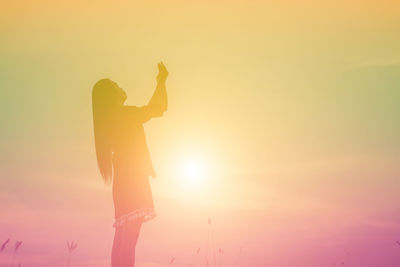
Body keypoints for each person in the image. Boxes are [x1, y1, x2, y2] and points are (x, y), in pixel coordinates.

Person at [92, 62, 168, 266]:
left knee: (122, 237)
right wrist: (161, 81)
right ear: (111, 95)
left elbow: (153, 110)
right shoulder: (123, 114)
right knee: (129, 238)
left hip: (122, 179)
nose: (120, 87)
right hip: (133, 177)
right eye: (116, 86)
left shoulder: (110, 120)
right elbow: (157, 109)